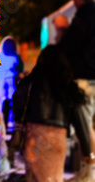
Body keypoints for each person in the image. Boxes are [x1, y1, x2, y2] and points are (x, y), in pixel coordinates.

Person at [13, 45, 92, 182]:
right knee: (54, 178)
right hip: (57, 139)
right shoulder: (67, 86)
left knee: (34, 178)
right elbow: (80, 119)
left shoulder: (30, 82)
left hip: (34, 138)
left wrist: (21, 121)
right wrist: (87, 151)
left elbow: (17, 102)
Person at [59, 0, 95, 179]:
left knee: (84, 124)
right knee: (87, 123)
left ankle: (88, 172)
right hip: (92, 78)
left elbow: (70, 46)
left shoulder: (84, 16)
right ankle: (86, 170)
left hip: (84, 77)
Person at [0, 36, 23, 129]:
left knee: (2, 100)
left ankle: (2, 120)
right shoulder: (16, 57)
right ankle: (11, 120)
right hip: (12, 79)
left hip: (1, 80)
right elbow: (20, 69)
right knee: (12, 100)